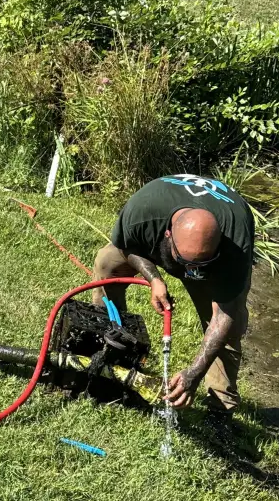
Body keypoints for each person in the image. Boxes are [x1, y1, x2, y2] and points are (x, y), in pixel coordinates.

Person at [92, 174, 253, 412]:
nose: (191, 273)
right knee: (106, 263)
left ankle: (220, 405)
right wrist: (154, 278)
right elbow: (127, 246)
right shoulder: (143, 211)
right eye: (187, 263)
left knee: (228, 328)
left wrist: (194, 373)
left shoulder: (235, 242)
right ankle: (113, 344)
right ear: (167, 234)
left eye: (200, 264)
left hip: (220, 258)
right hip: (161, 233)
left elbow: (224, 314)